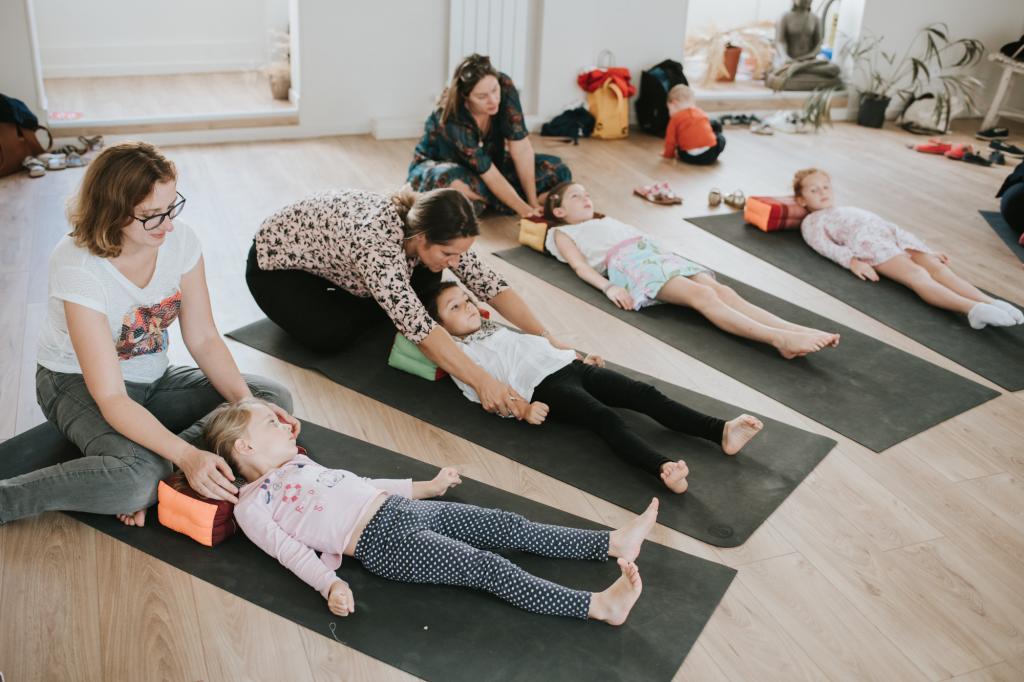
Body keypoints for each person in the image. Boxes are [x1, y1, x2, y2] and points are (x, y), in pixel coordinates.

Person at [0, 142, 295, 528]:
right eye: (152, 216)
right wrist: (189, 457)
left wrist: (247, 405)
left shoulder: (180, 241)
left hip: (153, 379)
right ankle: (11, 498)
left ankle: (163, 469)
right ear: (112, 212)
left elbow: (204, 338)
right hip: (75, 384)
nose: (169, 224)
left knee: (270, 399)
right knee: (135, 481)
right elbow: (110, 396)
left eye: (172, 207)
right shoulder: (78, 264)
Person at [206, 398, 656, 624]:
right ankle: (597, 606)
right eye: (271, 422)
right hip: (385, 544)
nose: (285, 424)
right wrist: (330, 585)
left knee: (507, 526)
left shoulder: (300, 460)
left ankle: (612, 542)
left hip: (401, 509)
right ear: (244, 447)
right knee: (489, 567)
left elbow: (361, 486)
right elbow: (290, 552)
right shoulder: (253, 505)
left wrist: (425, 487)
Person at [248, 187, 571, 419]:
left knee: (430, 278)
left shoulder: (436, 229)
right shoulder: (376, 244)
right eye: (449, 253)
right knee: (330, 337)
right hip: (280, 269)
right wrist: (483, 382)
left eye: (461, 253)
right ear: (420, 238)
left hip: (342, 263)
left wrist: (546, 338)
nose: (456, 261)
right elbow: (420, 330)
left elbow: (489, 284)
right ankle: (387, 301)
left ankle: (390, 299)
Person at [421, 281, 765, 494]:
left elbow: (537, 347)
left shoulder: (492, 328)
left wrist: (578, 357)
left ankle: (720, 430)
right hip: (544, 389)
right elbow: (487, 392)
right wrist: (523, 410)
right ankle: (663, 469)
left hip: (569, 366)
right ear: (441, 327)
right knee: (606, 419)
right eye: (455, 307)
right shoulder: (461, 354)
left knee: (644, 394)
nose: (467, 306)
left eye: (466, 299)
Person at [543, 181, 840, 358]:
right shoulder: (564, 233)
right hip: (632, 266)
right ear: (559, 212)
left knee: (723, 291)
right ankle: (778, 340)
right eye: (575, 197)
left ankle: (792, 329)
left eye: (586, 194)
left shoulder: (602, 220)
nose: (586, 199)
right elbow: (581, 267)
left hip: (657, 255)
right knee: (703, 297)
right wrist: (610, 287)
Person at [794, 168, 1024, 328]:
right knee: (918, 275)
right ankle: (972, 309)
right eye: (814, 190)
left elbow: (886, 225)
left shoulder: (844, 208)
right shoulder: (813, 221)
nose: (823, 192)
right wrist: (853, 261)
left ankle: (989, 301)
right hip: (869, 245)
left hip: (892, 233)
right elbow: (824, 247)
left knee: (937, 268)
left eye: (826, 186)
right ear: (801, 200)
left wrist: (927, 249)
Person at [408, 53, 571, 217]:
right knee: (448, 181)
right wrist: (525, 210)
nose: (493, 100)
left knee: (556, 169)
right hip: (447, 169)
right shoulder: (451, 117)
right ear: (466, 97)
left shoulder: (504, 85)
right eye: (482, 97)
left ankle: (493, 201)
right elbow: (487, 172)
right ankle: (504, 201)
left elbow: (520, 147)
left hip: (492, 165)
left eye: (494, 90)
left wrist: (532, 201)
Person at [662, 84, 725, 165]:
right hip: (709, 155)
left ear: (674, 103)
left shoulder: (675, 119)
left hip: (688, 156)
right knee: (720, 137)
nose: (669, 113)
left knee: (680, 144)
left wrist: (668, 154)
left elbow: (670, 141)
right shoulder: (701, 112)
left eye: (669, 109)